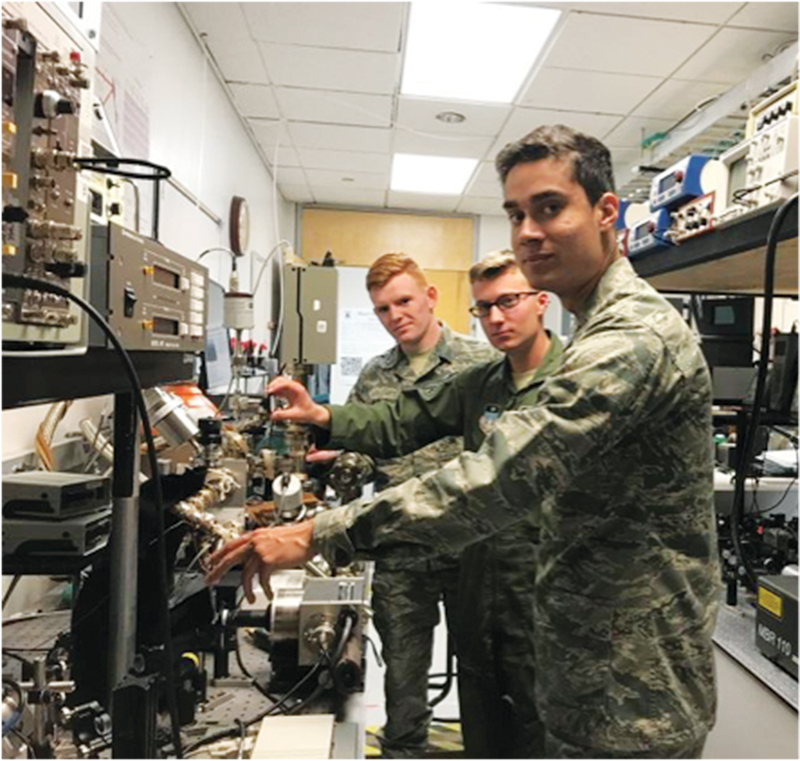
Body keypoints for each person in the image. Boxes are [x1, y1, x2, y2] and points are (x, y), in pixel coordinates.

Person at [207, 125, 720, 759]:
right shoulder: (586, 336)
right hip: (589, 666)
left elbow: (501, 476)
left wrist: (317, 533)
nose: (528, 231)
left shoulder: (631, 340)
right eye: (515, 214)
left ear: (606, 212)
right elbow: (402, 421)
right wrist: (325, 422)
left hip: (631, 691)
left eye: (551, 207)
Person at [322, 253, 496, 758]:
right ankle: (405, 751)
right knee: (402, 670)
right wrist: (339, 465)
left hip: (471, 545)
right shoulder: (375, 375)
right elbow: (362, 450)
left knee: (484, 669)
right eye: (382, 308)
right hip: (402, 548)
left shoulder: (480, 364)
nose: (395, 314)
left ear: (430, 298)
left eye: (403, 301)